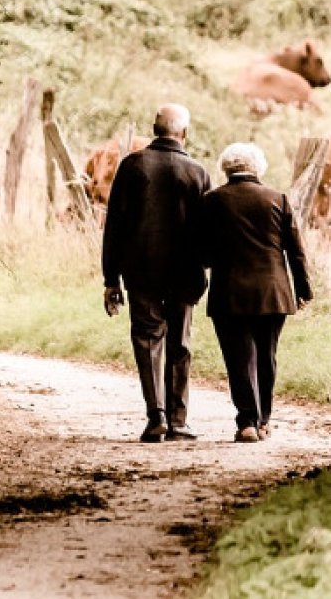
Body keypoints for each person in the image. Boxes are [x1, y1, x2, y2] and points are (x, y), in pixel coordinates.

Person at [102, 103, 211, 443]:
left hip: (141, 271)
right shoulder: (197, 172)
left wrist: (111, 279)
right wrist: (205, 267)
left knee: (148, 340)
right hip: (185, 273)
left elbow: (114, 227)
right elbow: (207, 231)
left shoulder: (133, 166)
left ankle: (156, 417)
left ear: (154, 128)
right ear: (185, 133)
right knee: (180, 342)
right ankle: (179, 420)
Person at [200, 143, 312, 443]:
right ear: (258, 167)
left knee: (238, 358)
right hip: (273, 292)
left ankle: (246, 421)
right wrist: (302, 289)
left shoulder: (212, 201)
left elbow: (203, 253)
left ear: (226, 168)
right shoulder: (278, 199)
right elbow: (296, 251)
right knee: (267, 355)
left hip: (229, 293)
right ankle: (264, 421)